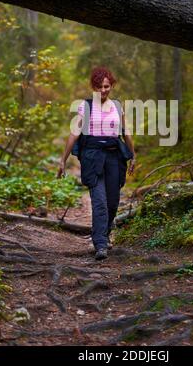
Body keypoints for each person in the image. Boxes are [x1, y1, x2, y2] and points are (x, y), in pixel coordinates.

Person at [57, 67, 136, 261]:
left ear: (112, 85)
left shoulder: (117, 106)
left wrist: (132, 156)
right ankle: (100, 244)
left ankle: (106, 233)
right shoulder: (86, 106)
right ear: (94, 86)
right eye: (99, 87)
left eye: (107, 86)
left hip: (114, 158)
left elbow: (125, 132)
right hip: (93, 157)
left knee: (113, 201)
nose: (103, 90)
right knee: (99, 201)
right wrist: (63, 160)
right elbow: (75, 133)